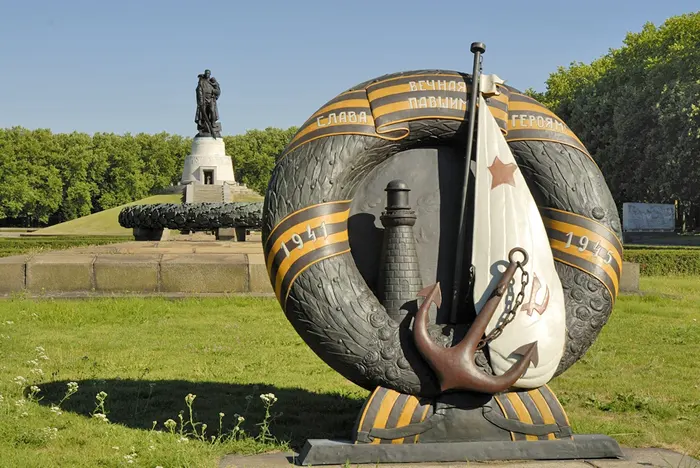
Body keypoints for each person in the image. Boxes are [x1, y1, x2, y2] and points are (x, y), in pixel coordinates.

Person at [195, 69, 221, 137]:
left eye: (209, 73)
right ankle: (204, 127)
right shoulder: (201, 81)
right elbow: (199, 90)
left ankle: (212, 124)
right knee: (204, 114)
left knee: (212, 111)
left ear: (210, 74)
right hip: (204, 99)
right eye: (206, 73)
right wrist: (200, 99)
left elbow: (218, 90)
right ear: (205, 73)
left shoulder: (212, 81)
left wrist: (214, 91)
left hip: (211, 99)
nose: (207, 74)